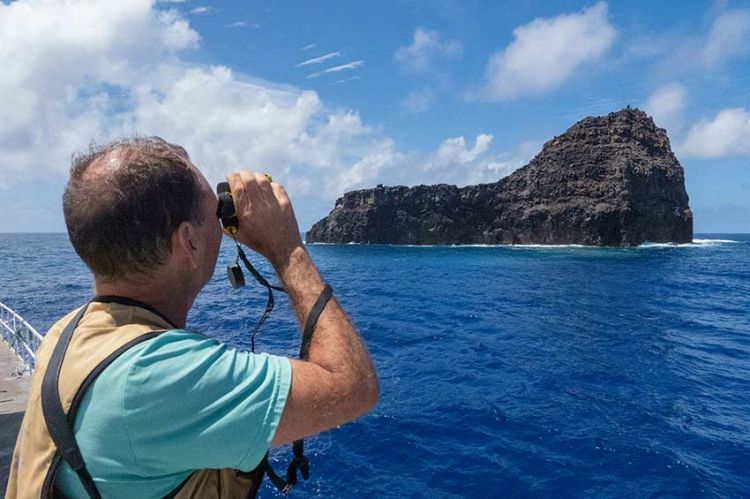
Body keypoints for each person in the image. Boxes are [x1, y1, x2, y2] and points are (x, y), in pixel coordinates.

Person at [5, 137, 379, 498]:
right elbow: (353, 387)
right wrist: (287, 248)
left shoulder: (66, 332)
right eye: (213, 211)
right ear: (190, 241)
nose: (221, 221)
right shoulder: (155, 377)